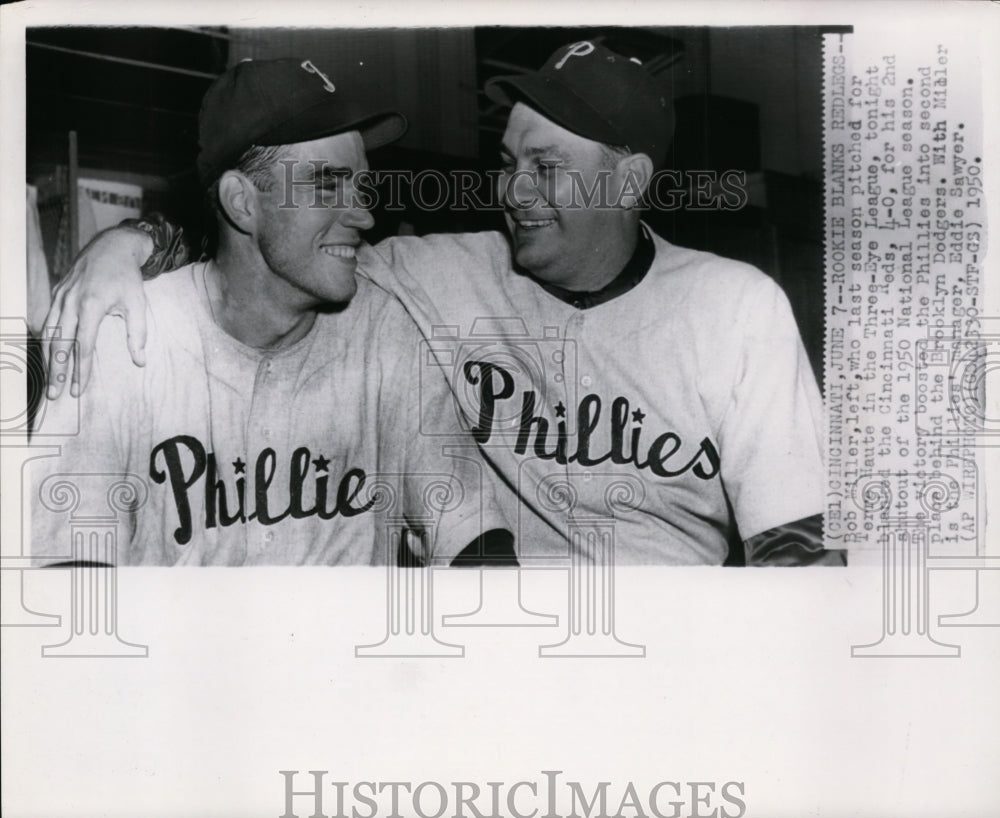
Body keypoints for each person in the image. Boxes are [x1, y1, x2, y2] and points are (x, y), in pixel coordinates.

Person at [42, 41, 840, 566]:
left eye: (546, 165)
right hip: (490, 652)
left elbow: (800, 552)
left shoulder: (735, 308)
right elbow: (277, 248)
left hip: (672, 659)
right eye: (506, 160)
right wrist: (132, 243)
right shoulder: (438, 275)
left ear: (626, 184)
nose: (512, 191)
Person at [31, 57, 511, 566]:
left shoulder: (385, 332)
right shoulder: (125, 338)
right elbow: (69, 569)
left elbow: (468, 526)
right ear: (242, 202)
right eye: (328, 185)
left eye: (360, 186)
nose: (364, 213)